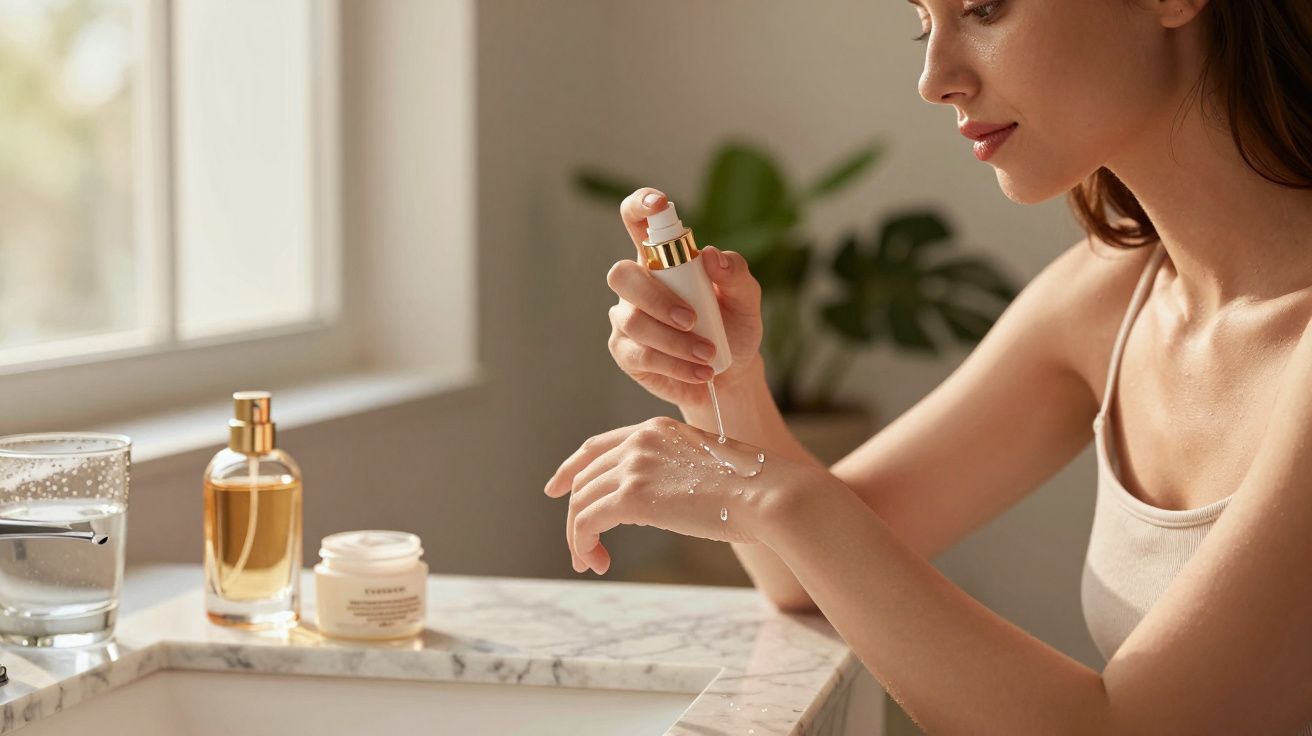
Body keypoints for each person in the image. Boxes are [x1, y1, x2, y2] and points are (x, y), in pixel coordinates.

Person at [543, 1, 1312, 732]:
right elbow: (801, 574)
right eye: (923, 24)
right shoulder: (1114, 294)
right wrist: (722, 383)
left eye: (984, 10)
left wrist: (772, 493)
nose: (936, 77)